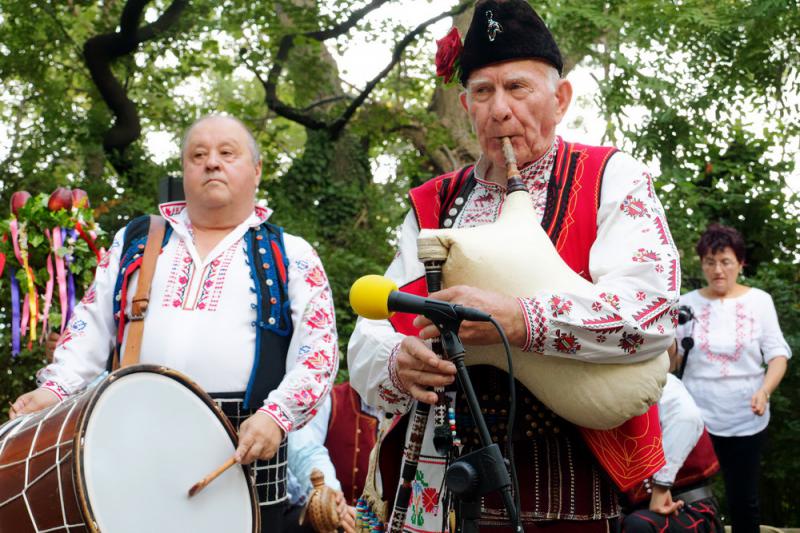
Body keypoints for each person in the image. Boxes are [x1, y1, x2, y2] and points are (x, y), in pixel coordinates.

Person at [348, 1, 680, 531]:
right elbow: (372, 329)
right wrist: (397, 361)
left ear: (561, 98)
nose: (499, 109)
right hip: (436, 486)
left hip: (563, 483)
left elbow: (654, 312)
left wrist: (521, 319)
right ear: (466, 105)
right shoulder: (434, 203)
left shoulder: (609, 177)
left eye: (517, 87)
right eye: (483, 92)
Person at [8, 114, 339, 531]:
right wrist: (54, 390)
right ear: (184, 171)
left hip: (246, 464)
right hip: (135, 453)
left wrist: (278, 416)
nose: (211, 163)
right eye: (197, 155)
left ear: (256, 170)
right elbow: (89, 327)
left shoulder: (293, 252)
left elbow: (318, 354)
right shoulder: (136, 241)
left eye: (227, 153)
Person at [676, 223, 790, 533]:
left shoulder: (760, 301)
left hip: (745, 417)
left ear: (741, 263)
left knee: (744, 501)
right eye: (710, 262)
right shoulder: (685, 303)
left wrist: (765, 391)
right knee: (689, 499)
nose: (717, 270)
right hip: (695, 419)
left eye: (726, 261)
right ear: (702, 264)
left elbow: (777, 355)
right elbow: (673, 360)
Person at [622, 374, 723, 533]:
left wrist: (661, 487)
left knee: (638, 525)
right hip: (633, 512)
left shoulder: (660, 379)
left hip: (687, 508)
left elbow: (687, 418)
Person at [284, 382, 380, 533]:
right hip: (335, 522)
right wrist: (330, 502)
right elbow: (305, 452)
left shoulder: (411, 410)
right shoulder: (328, 399)